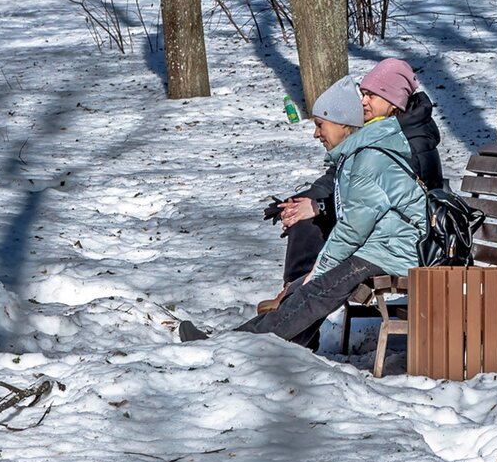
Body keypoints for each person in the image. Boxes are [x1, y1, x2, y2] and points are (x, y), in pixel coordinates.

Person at [178, 75, 427, 348]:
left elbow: (353, 229)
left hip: (398, 251)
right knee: (303, 288)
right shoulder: (357, 155)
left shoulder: (369, 159)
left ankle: (238, 347)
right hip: (383, 247)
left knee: (319, 288)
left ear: (344, 124)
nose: (316, 133)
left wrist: (319, 268)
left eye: (321, 125)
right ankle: (270, 346)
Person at [258, 57, 441, 313]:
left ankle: (292, 300)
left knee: (320, 238)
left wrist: (320, 206)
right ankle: (291, 298)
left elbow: (377, 201)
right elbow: (339, 180)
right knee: (307, 223)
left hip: (402, 243)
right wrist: (299, 202)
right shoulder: (376, 132)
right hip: (381, 231)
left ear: (393, 102)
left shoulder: (402, 140)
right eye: (363, 94)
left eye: (371, 96)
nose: (363, 101)